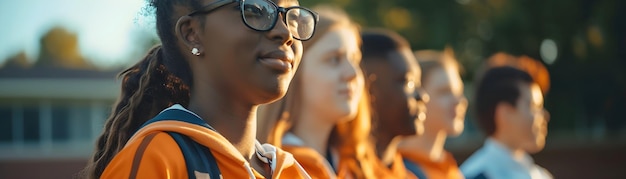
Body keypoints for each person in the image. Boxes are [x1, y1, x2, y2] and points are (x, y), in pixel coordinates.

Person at [82, 0, 318, 178]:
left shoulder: (292, 171)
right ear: (192, 33)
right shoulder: (158, 158)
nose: (286, 32)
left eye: (294, 18)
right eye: (255, 10)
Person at [257, 5, 376, 179]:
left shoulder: (359, 166)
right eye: (334, 59)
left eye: (355, 60)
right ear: (294, 69)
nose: (353, 73)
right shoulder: (271, 168)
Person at [460, 65, 552, 179]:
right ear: (505, 113)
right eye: (534, 107)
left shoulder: (540, 175)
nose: (545, 116)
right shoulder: (475, 175)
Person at [360, 29, 425, 179]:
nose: (422, 96)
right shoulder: (340, 171)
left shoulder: (410, 175)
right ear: (369, 89)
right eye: (408, 82)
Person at [397, 48, 468, 179]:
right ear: (417, 96)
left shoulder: (450, 169)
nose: (460, 101)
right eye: (445, 92)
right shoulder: (397, 169)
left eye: (459, 92)